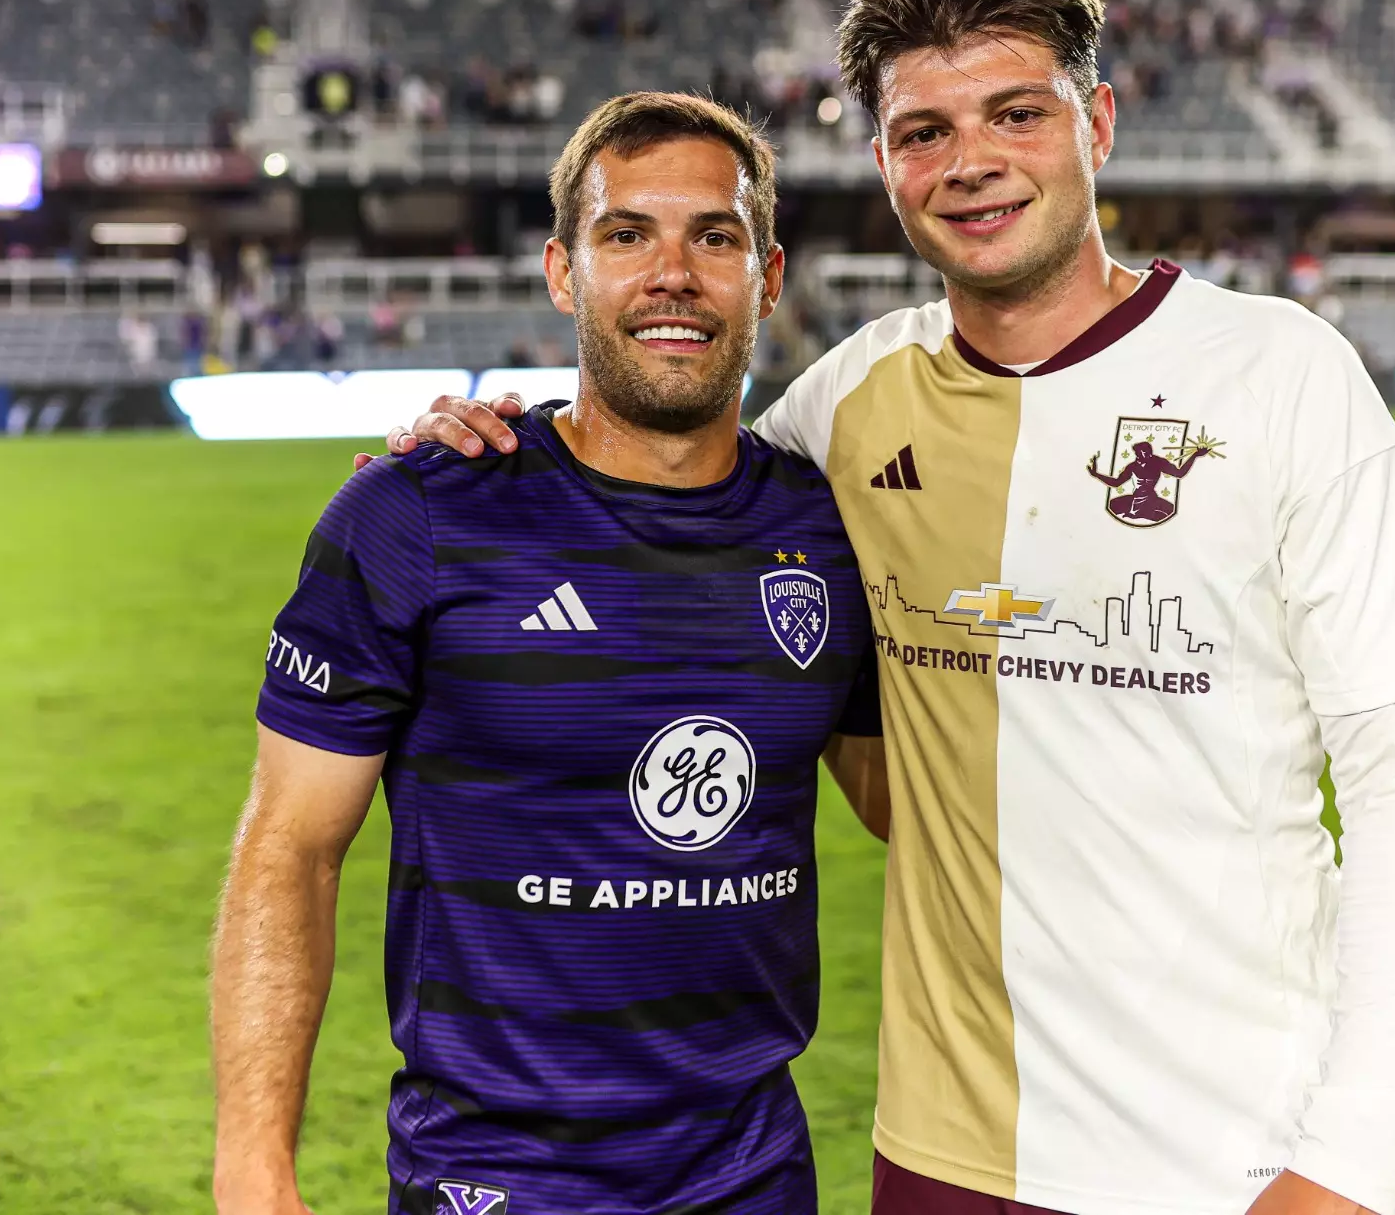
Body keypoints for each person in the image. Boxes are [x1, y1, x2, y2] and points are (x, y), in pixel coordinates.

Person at [390, 0, 1395, 1215]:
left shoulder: (1284, 375)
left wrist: (1348, 1157)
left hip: (1236, 1154)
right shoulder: (846, 408)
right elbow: (645, 457)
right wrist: (475, 440)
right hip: (944, 1153)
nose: (970, 163)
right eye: (923, 133)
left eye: (1014, 113)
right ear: (887, 164)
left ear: (1099, 122)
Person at [211, 93, 888, 1215]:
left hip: (755, 1176)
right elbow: (289, 849)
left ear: (768, 281)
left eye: (713, 237)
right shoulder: (416, 514)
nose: (672, 272)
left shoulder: (825, 527)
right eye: (626, 235)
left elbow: (902, 802)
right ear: (563, 273)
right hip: (496, 1180)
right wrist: (252, 1172)